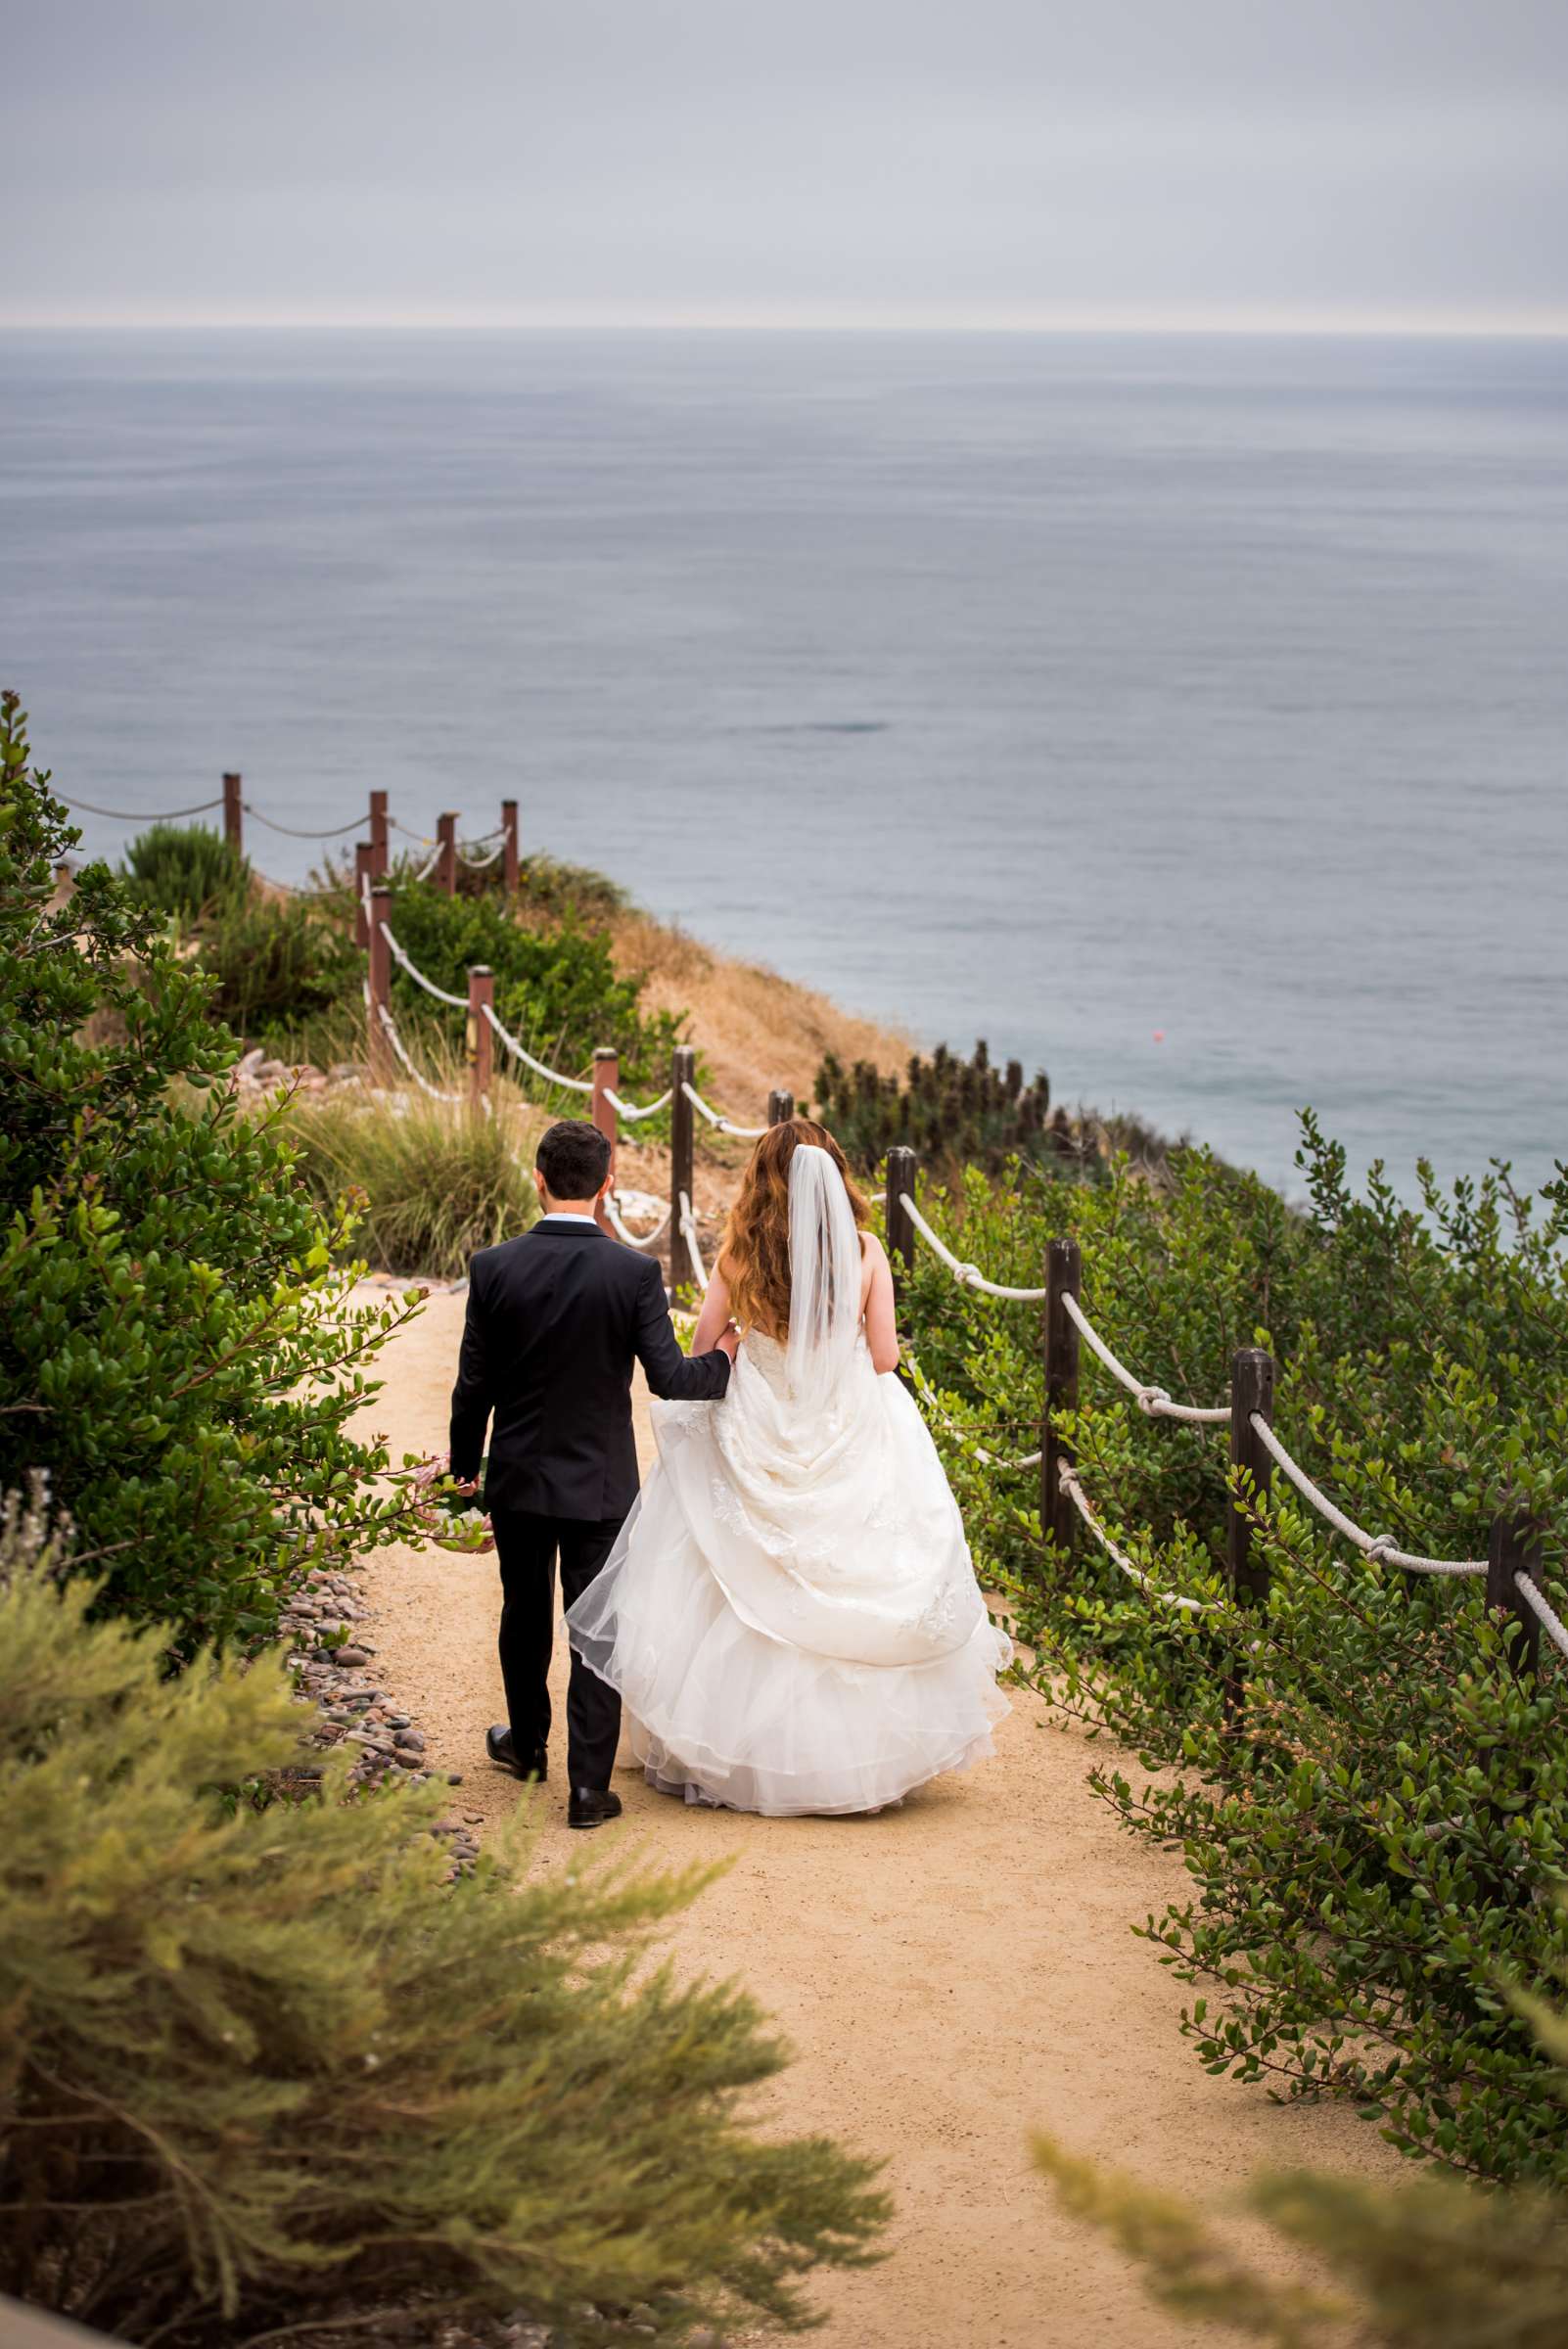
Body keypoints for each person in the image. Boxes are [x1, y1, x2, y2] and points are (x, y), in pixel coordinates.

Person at [567, 1118, 1011, 1816]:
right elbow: (886, 1357)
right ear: (832, 1176)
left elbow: (703, 1342)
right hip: (843, 1417)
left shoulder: (739, 1254)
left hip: (757, 1415)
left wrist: (749, 1337)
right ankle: (854, 1760)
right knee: (858, 1562)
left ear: (760, 1179)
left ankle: (737, 1750)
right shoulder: (864, 1251)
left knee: (735, 1572)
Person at [449, 1118, 737, 1828]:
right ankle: (587, 1788)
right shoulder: (634, 1273)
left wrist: (464, 1483)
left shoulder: (493, 1267)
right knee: (598, 1628)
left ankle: (527, 1746)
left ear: (538, 1177)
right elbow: (671, 1379)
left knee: (523, 1613)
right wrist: (729, 1355)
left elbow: (472, 1390)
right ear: (607, 1186)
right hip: (603, 1486)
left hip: (517, 1479)